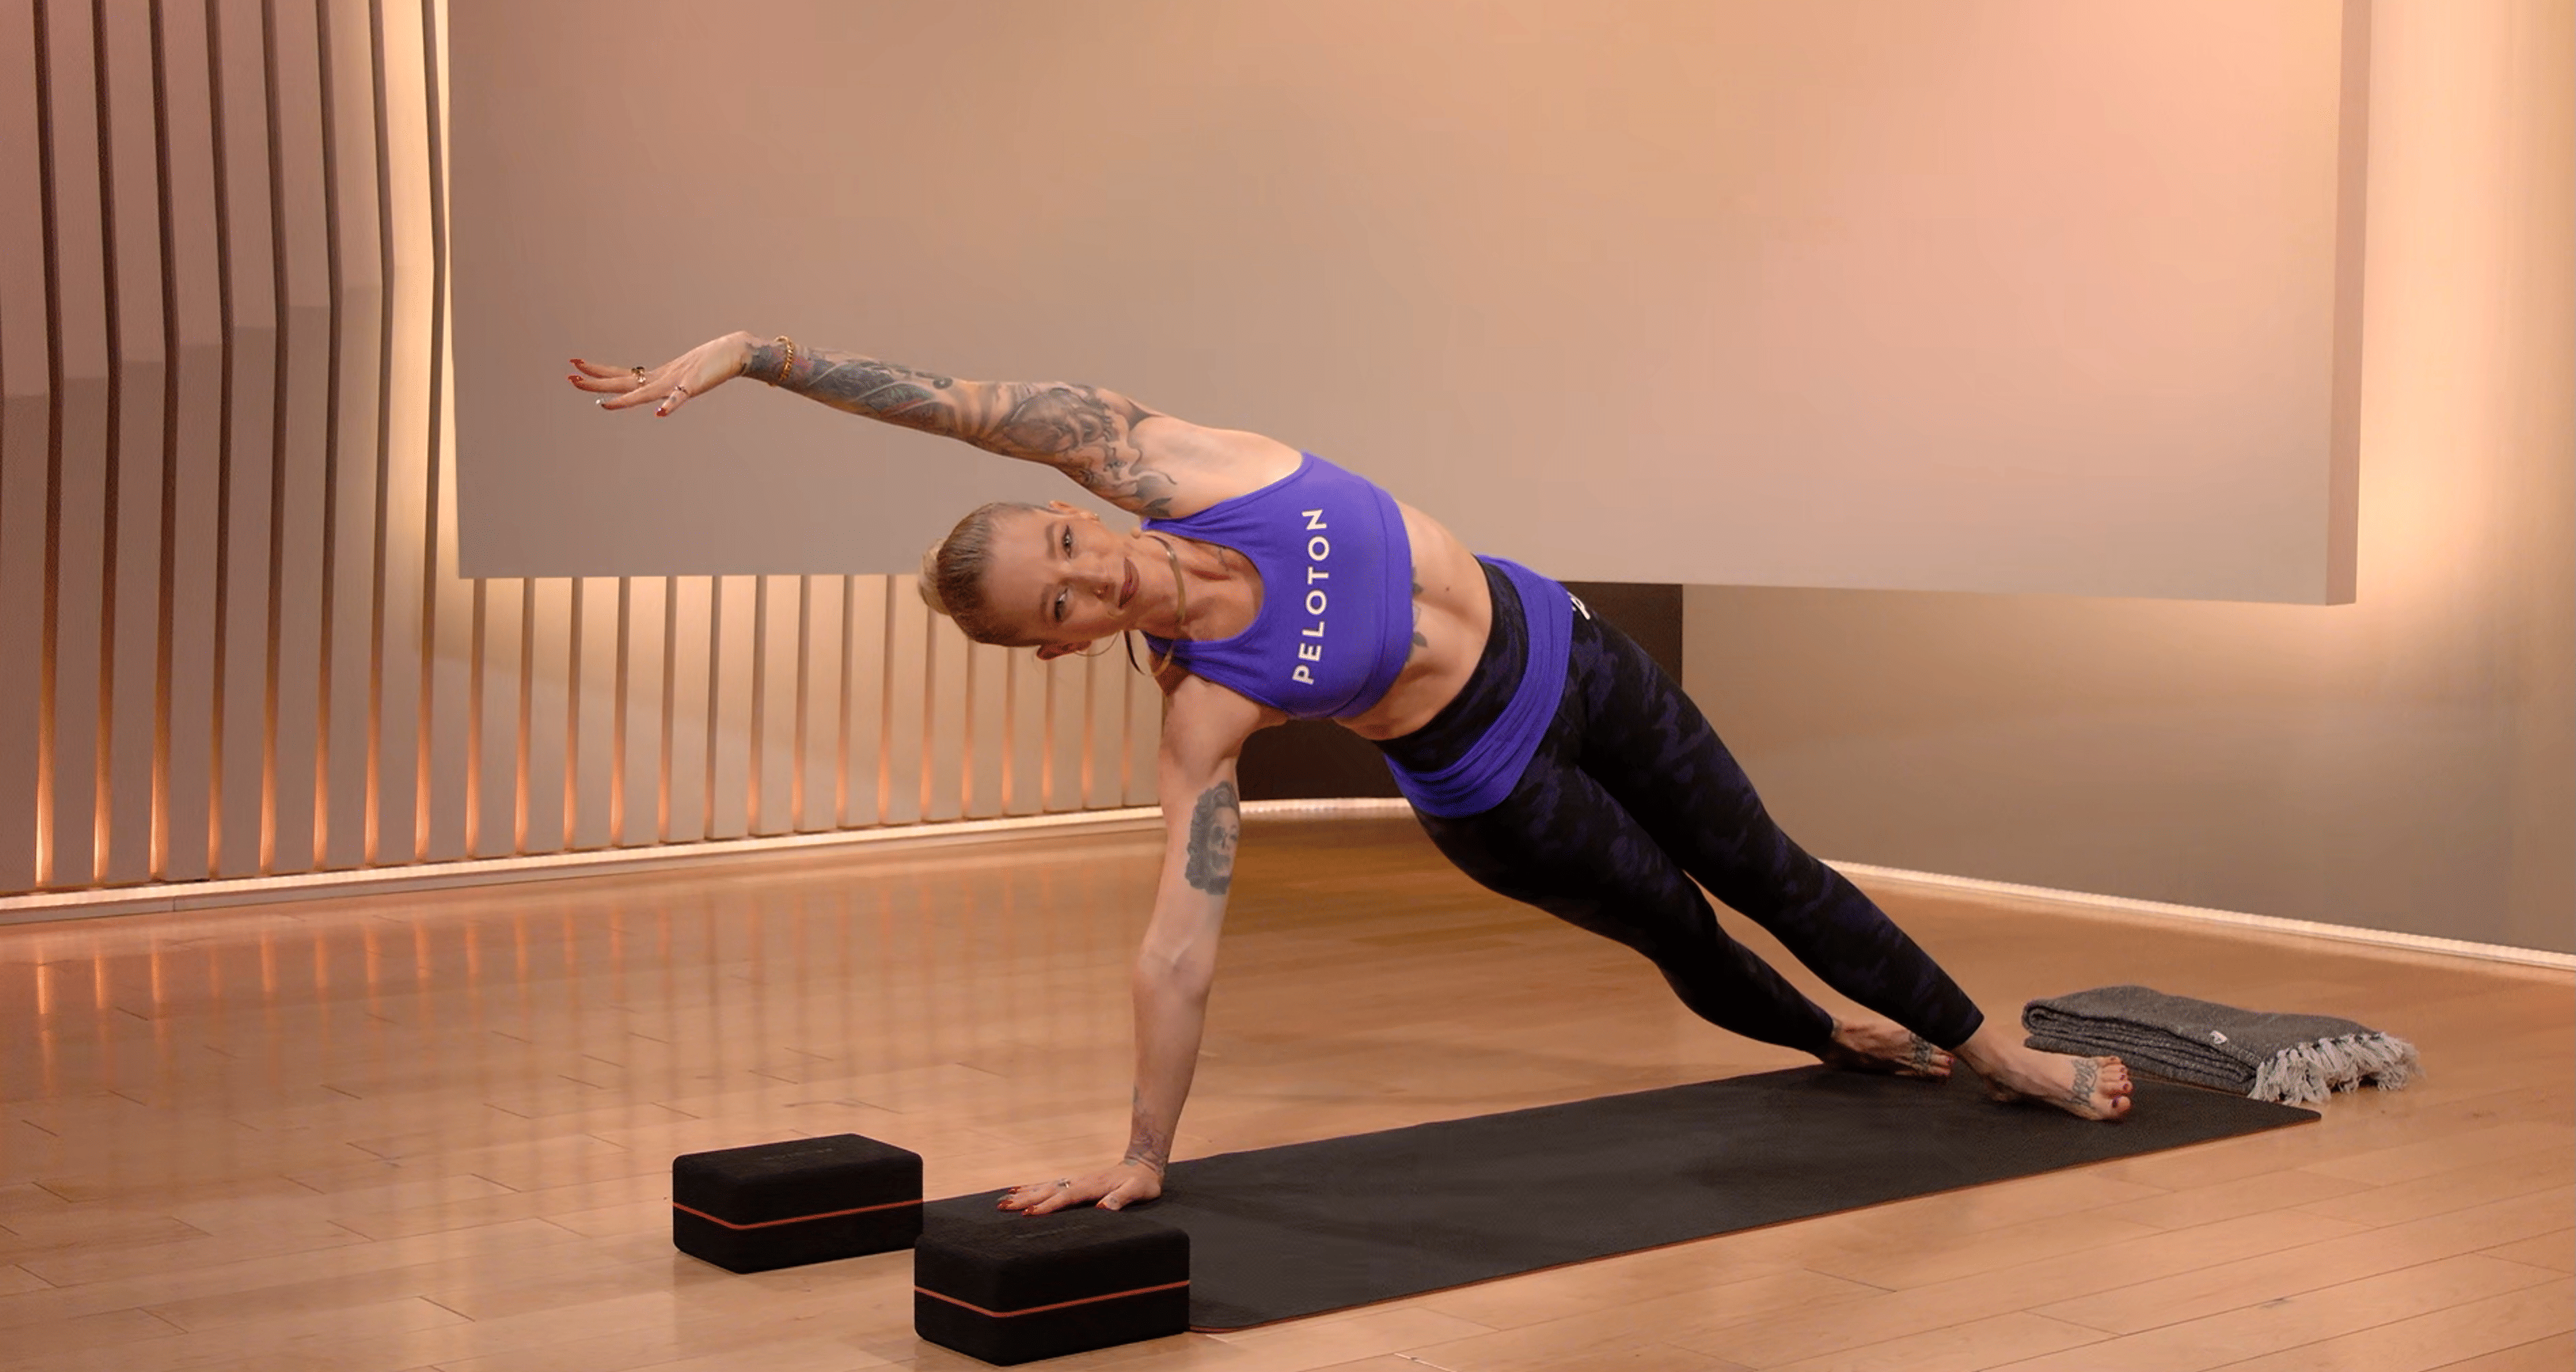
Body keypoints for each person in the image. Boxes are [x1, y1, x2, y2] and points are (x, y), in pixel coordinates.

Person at [569, 333, 2134, 1216]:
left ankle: (1987, 1047)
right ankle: (1835, 1037)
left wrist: (755, 356)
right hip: (1502, 792)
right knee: (1688, 936)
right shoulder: (1203, 716)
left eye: (1061, 544)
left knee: (1773, 865)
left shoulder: (1166, 458)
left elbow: (955, 403)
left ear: (1072, 505)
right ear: (1051, 647)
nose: (1085, 575)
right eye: (1054, 604)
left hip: (1578, 654)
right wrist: (1142, 1154)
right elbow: (1178, 948)